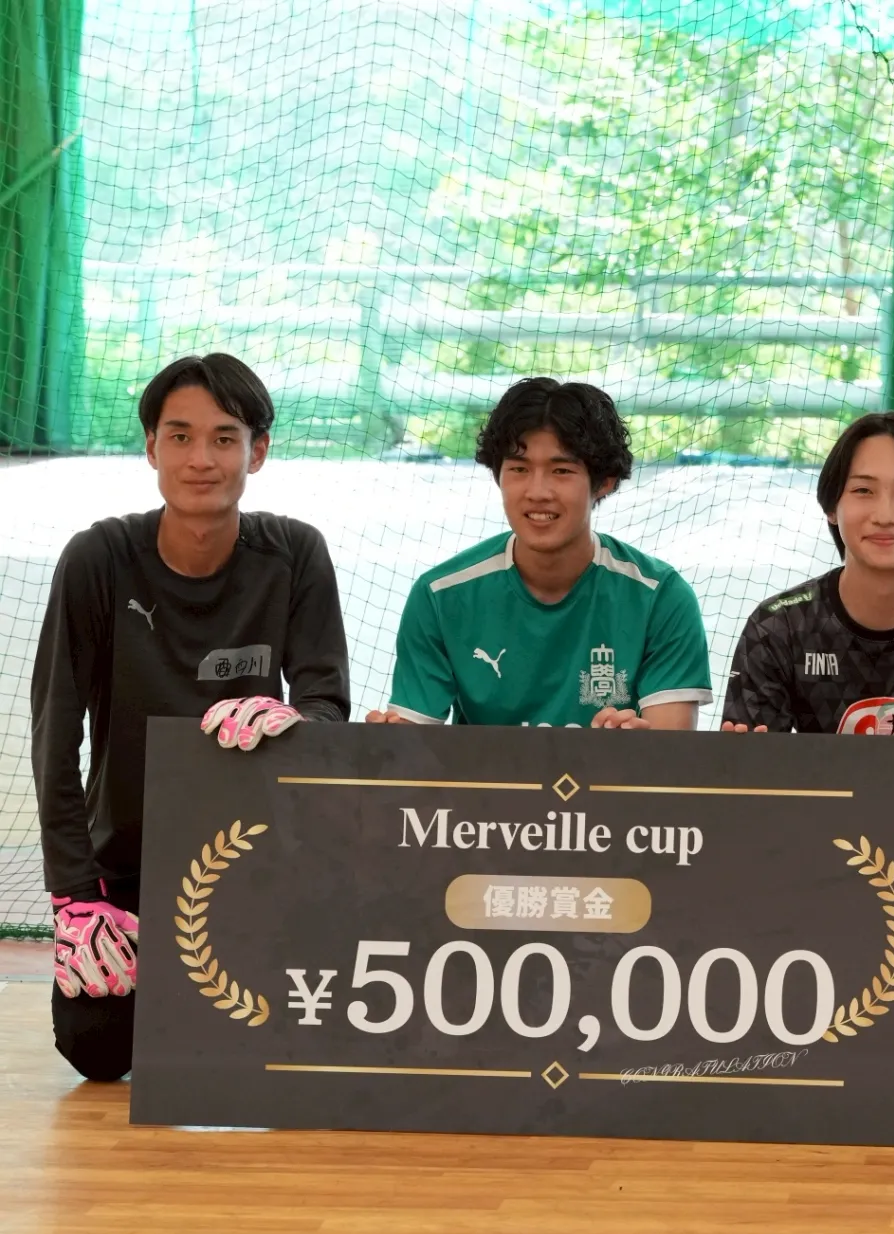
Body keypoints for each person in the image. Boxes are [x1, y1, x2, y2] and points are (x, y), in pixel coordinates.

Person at [30, 353, 349, 1082]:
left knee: (296, 1040)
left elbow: (328, 702)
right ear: (151, 448)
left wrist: (293, 719)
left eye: (224, 438)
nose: (201, 459)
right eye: (179, 436)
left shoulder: (296, 553)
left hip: (259, 857)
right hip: (128, 865)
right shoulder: (98, 558)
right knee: (96, 1047)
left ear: (257, 452)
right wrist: (76, 897)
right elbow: (55, 737)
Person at [721, 412, 894, 1086]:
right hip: (818, 839)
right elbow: (746, 773)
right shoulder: (779, 627)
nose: (885, 513)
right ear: (832, 506)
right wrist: (748, 768)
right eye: (863, 491)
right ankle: (786, 989)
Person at [366, 378, 710, 729]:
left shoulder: (661, 597)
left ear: (604, 482)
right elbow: (411, 744)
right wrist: (386, 742)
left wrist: (630, 747)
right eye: (519, 469)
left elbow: (669, 747)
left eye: (561, 470)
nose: (538, 491)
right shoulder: (440, 595)